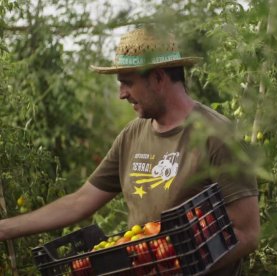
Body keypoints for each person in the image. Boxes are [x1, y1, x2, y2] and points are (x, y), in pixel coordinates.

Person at [0, 25, 260, 275]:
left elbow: (246, 234)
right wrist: (5, 228)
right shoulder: (132, 135)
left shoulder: (217, 136)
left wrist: (173, 267)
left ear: (158, 77)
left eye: (127, 82)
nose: (121, 94)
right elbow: (80, 202)